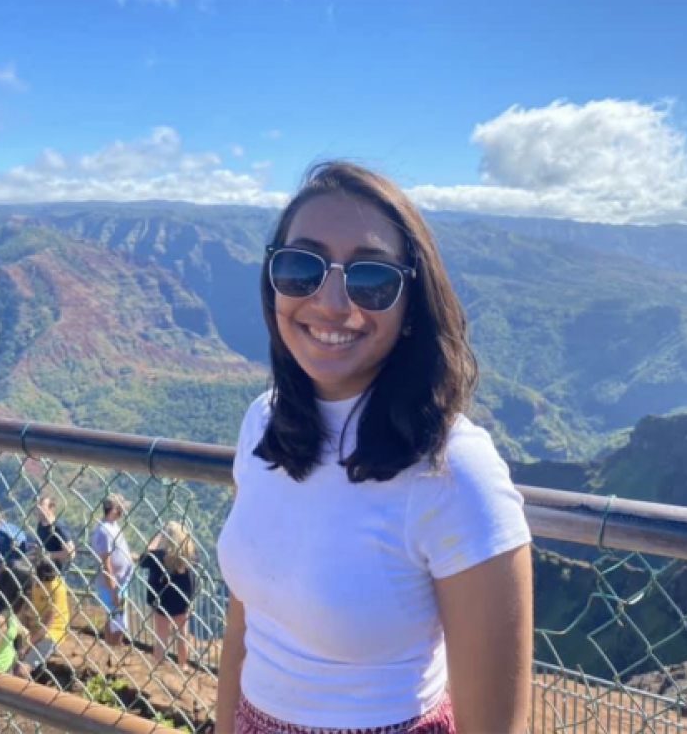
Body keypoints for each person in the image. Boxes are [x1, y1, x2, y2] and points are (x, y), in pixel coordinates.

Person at [215, 162, 533, 734]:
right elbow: (247, 622)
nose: (332, 303)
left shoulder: (455, 470)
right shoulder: (263, 424)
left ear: (412, 305)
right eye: (300, 268)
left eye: (371, 279)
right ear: (272, 281)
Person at [138, 521, 197, 670]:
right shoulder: (189, 556)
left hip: (161, 600)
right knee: (182, 633)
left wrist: (156, 539)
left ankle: (159, 665)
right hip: (182, 600)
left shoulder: (158, 556)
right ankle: (183, 664)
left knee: (161, 633)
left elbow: (142, 560)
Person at [90, 493, 134, 647]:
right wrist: (114, 589)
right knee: (117, 622)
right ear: (115, 509)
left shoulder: (113, 527)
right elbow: (106, 562)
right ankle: (111, 649)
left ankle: (112, 650)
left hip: (120, 582)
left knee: (118, 621)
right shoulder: (104, 531)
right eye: (121, 508)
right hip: (113, 585)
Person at [21, 557, 70, 673]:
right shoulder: (35, 582)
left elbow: (46, 626)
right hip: (32, 627)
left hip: (51, 632)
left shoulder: (56, 589)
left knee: (21, 670)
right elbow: (25, 609)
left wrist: (26, 647)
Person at [35, 495, 76, 572]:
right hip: (41, 572)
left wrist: (48, 555)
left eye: (41, 507)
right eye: (37, 507)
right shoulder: (40, 525)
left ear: (51, 508)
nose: (38, 510)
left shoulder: (59, 527)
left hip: (55, 573)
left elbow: (71, 553)